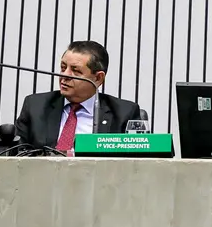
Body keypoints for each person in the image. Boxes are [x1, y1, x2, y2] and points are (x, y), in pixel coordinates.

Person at [14, 40, 143, 155]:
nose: (65, 75)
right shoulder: (35, 106)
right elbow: (18, 155)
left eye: (76, 71)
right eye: (63, 68)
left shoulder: (124, 113)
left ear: (98, 78)